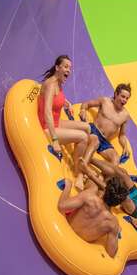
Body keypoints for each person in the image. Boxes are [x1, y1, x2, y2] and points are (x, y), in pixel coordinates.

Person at [38, 55, 92, 185]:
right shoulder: (51, 85)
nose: (69, 70)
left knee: (87, 127)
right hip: (47, 126)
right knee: (84, 137)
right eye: (66, 67)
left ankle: (78, 156)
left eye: (70, 68)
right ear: (57, 67)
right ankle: (78, 172)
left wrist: (65, 102)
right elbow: (47, 112)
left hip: (57, 122)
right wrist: (55, 139)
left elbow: (55, 97)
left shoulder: (58, 82)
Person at [57, 176, 128, 257]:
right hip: (81, 247)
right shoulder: (113, 223)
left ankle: (85, 177)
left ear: (105, 189)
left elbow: (61, 206)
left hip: (66, 229)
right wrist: (115, 232)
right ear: (118, 203)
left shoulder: (89, 197)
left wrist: (68, 186)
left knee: (93, 187)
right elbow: (111, 253)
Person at [80, 83, 132, 166]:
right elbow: (87, 104)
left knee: (116, 159)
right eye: (122, 96)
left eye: (127, 98)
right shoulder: (104, 101)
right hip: (94, 131)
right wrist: (83, 109)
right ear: (116, 94)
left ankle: (100, 178)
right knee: (95, 142)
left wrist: (125, 146)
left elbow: (121, 135)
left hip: (104, 141)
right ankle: (82, 168)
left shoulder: (125, 115)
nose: (124, 100)